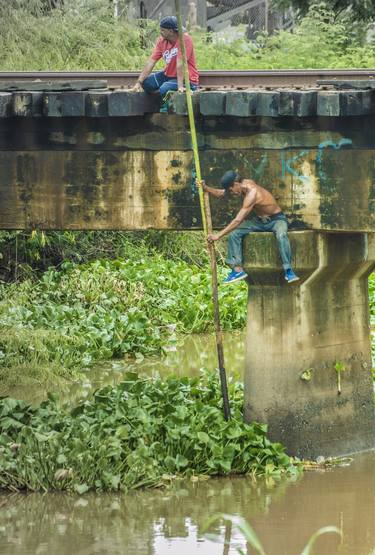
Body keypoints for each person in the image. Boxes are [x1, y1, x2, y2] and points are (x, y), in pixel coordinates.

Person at [202, 170, 300, 285]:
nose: (231, 192)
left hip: (277, 220)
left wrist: (217, 235)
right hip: (259, 222)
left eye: (231, 189)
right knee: (234, 234)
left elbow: (238, 220)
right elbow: (221, 193)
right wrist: (206, 188)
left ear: (236, 183)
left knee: (281, 235)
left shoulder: (252, 193)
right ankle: (237, 270)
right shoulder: (243, 185)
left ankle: (288, 270)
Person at [132, 15, 199, 113]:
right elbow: (151, 61)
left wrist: (180, 86)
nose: (160, 32)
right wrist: (139, 82)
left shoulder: (185, 40)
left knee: (164, 89)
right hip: (168, 75)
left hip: (186, 79)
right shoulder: (161, 41)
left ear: (171, 31)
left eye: (163, 30)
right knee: (147, 84)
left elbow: (181, 64)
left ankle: (165, 103)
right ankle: (166, 94)